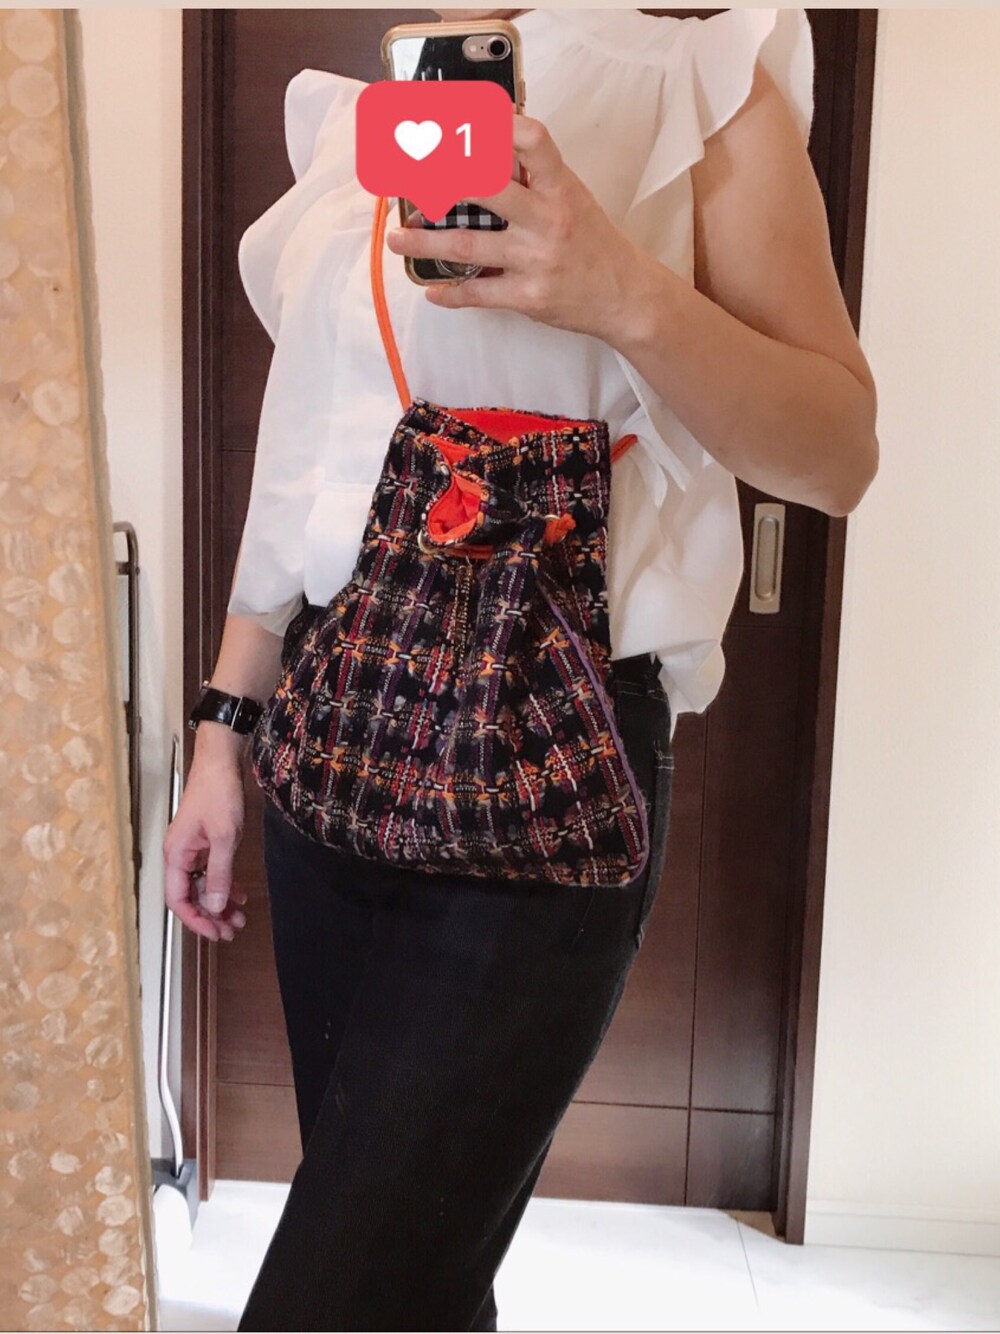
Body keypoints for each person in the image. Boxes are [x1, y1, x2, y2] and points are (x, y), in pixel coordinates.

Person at [164, 8, 878, 1330]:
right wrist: (221, 726)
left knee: (346, 1297)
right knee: (417, 1282)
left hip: (551, 755)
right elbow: (307, 452)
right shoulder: (374, 117)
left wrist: (624, 293)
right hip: (336, 725)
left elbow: (837, 452)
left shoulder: (700, 79)